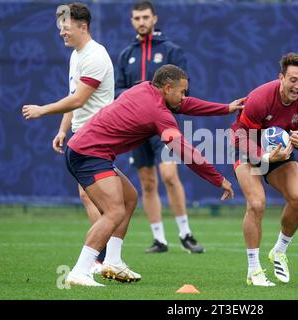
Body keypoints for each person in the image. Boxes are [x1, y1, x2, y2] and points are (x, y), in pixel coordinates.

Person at [62, 64, 243, 286]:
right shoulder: (158, 113)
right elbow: (186, 152)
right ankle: (80, 271)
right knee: (114, 211)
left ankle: (113, 261)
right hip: (88, 154)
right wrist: (218, 179)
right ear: (167, 88)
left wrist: (225, 108)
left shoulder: (145, 88)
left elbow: (184, 104)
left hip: (87, 151)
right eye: (182, 91)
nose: (184, 96)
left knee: (130, 199)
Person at [21, 2, 119, 275]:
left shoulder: (95, 56)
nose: (62, 33)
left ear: (82, 27)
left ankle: (101, 260)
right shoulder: (77, 55)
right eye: (60, 28)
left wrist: (42, 110)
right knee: (95, 199)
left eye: (66, 28)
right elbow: (75, 100)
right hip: (83, 133)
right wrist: (63, 129)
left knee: (109, 204)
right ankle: (105, 259)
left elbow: (78, 98)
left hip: (97, 135)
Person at [116, 1, 203, 254]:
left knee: (169, 176)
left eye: (145, 17)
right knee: (147, 182)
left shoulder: (171, 51)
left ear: (154, 18)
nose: (141, 21)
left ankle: (186, 234)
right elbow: (117, 90)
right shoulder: (125, 55)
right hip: (136, 128)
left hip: (164, 126)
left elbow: (184, 89)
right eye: (136, 18)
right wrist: (136, 95)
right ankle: (159, 240)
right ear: (132, 21)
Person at [230, 53, 298, 286]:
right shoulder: (260, 98)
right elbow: (241, 138)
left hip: (279, 155)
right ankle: (254, 270)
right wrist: (265, 156)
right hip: (247, 150)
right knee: (257, 204)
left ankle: (279, 251)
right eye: (293, 79)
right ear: (281, 77)